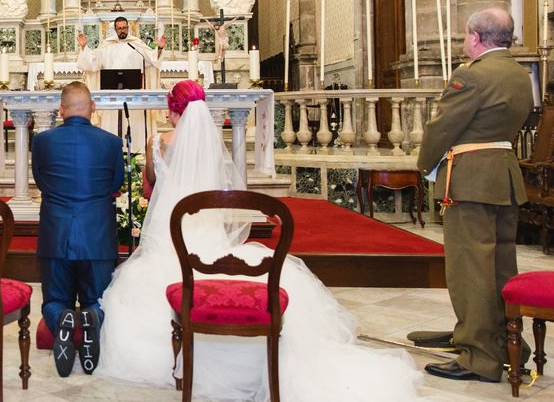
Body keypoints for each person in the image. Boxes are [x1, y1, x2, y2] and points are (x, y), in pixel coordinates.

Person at [96, 80, 423, 401]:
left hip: (171, 231)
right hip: (206, 230)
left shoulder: (158, 142)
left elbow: (151, 181)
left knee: (139, 286)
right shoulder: (212, 144)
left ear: (172, 110)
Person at [417, 8, 534, 383]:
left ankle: (477, 356)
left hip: (470, 179)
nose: (464, 41)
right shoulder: (520, 75)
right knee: (500, 266)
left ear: (477, 37)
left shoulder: (471, 76)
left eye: (466, 35)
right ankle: (500, 341)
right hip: (503, 174)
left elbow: (442, 128)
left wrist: (424, 165)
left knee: (470, 270)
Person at [31, 82, 124, 378]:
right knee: (99, 300)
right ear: (93, 108)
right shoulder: (110, 142)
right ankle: (90, 317)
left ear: (61, 110)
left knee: (54, 300)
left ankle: (63, 318)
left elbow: (41, 181)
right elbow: (115, 185)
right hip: (97, 238)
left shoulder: (42, 141)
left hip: (55, 235)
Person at [76, 16, 166, 153]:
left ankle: (136, 152)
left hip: (133, 98)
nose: (122, 30)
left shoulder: (137, 45)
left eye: (124, 28)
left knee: (134, 125)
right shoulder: (107, 46)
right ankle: (111, 152)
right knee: (112, 127)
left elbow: (153, 59)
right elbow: (91, 62)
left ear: (128, 28)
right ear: (115, 29)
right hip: (111, 98)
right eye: (119, 28)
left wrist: (159, 49)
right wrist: (84, 46)